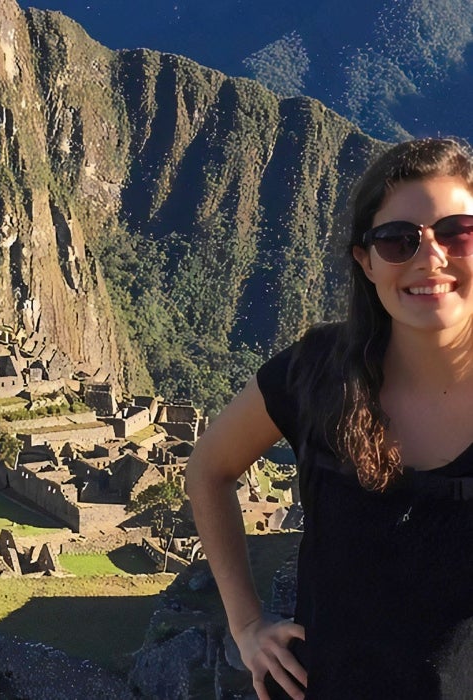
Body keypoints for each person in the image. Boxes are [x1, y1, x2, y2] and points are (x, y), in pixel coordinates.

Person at [185, 137, 473, 700]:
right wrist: (247, 625)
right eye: (398, 240)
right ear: (365, 261)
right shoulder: (315, 373)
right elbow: (208, 471)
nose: (430, 256)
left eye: (456, 232)